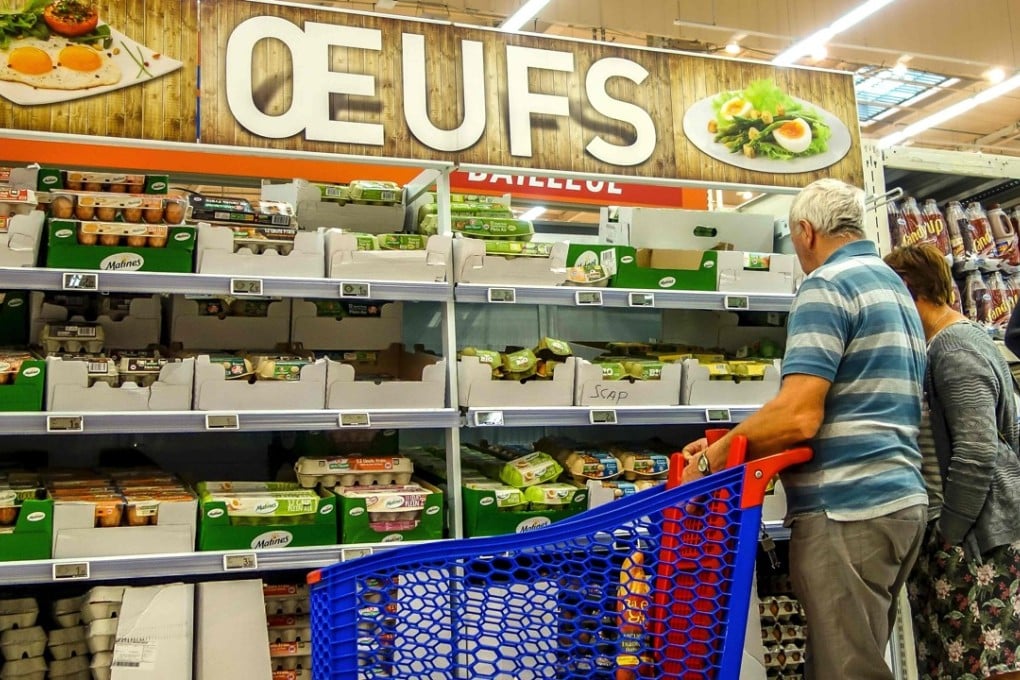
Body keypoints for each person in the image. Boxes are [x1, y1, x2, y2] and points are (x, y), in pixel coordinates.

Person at [680, 178, 929, 680]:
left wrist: (711, 461)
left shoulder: (827, 285)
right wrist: (733, 441)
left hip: (847, 509)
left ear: (805, 231)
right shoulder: (889, 283)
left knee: (846, 671)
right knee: (840, 661)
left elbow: (799, 415)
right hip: (899, 502)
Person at [884, 243, 1020, 680]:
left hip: (979, 543)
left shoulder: (953, 349)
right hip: (970, 539)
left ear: (908, 290)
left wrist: (950, 534)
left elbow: (978, 449)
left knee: (989, 663)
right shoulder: (950, 343)